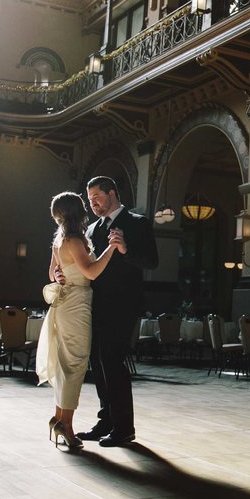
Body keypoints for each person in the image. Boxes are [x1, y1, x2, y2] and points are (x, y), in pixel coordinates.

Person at [59, 176, 158, 447]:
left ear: (111, 193)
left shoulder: (137, 223)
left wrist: (125, 249)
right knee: (97, 363)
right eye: (89, 200)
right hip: (93, 304)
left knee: (113, 362)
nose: (93, 204)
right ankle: (107, 420)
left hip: (124, 304)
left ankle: (124, 427)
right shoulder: (91, 229)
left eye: (97, 198)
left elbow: (152, 261)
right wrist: (61, 271)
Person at [37, 191, 125, 452]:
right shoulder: (74, 241)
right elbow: (91, 272)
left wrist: (58, 273)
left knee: (66, 362)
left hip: (66, 303)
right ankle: (66, 425)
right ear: (78, 212)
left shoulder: (59, 241)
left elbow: (52, 273)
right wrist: (111, 248)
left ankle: (59, 417)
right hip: (75, 305)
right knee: (75, 363)